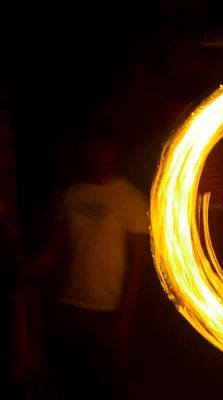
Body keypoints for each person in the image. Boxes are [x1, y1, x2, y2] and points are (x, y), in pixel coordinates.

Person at [22, 121, 149, 400]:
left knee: (106, 386)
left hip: (108, 310)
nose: (96, 155)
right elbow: (58, 246)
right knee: (72, 384)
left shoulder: (132, 200)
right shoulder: (72, 194)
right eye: (91, 149)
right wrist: (26, 270)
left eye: (103, 149)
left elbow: (137, 265)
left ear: (117, 152)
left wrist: (125, 318)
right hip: (70, 305)